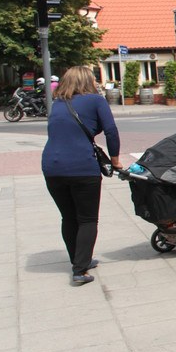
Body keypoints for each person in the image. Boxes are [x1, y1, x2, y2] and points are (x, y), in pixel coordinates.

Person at [41, 67, 121, 286]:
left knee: (68, 217)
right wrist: (114, 160)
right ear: (88, 81)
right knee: (87, 219)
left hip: (52, 167)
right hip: (82, 167)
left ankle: (79, 259)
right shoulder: (95, 100)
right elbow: (111, 131)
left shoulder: (57, 103)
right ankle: (80, 270)